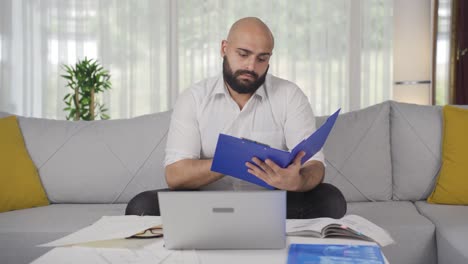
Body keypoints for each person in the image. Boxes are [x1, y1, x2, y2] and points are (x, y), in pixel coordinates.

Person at [126, 17, 346, 219]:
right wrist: (231, 161)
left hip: (274, 203)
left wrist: (298, 181)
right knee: (141, 207)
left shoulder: (290, 95)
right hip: (207, 202)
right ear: (224, 48)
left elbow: (315, 166)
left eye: (262, 58)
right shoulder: (194, 98)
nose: (251, 66)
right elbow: (175, 175)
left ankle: (225, 224)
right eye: (243, 54)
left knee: (331, 200)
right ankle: (236, 222)